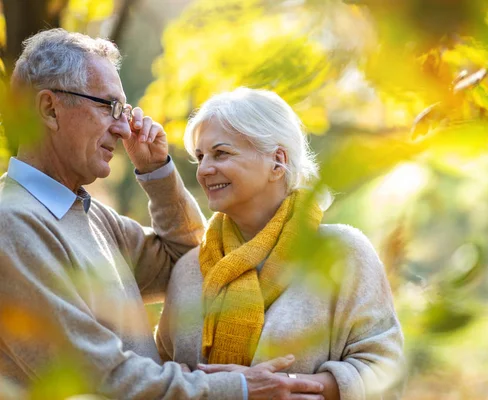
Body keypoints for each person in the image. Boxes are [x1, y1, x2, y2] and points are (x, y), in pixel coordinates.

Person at [0, 29, 323, 400]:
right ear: (49, 109)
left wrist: (157, 172)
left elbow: (186, 257)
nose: (123, 128)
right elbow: (100, 379)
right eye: (109, 106)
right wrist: (240, 388)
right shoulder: (12, 224)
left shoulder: (89, 215)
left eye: (123, 110)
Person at [157, 87, 405, 399]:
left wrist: (286, 388)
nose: (204, 169)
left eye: (221, 153)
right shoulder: (189, 270)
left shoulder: (344, 254)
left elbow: (385, 371)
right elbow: (161, 377)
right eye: (200, 157)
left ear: (277, 161)